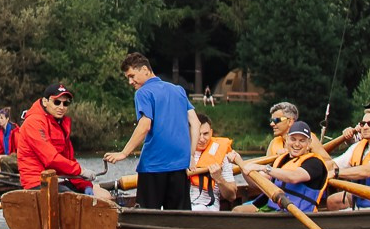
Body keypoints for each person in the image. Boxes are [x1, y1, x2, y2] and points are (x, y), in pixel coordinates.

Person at [102, 52, 199, 210]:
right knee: (179, 219)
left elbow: (145, 125)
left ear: (145, 70)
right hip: (180, 165)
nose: (130, 81)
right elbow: (195, 123)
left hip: (154, 165)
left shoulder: (143, 93)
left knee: (146, 216)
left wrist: (124, 153)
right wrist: (191, 154)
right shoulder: (178, 90)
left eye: (132, 76)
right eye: (128, 77)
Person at [13, 83, 92, 192]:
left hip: (56, 179)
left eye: (66, 103)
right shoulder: (34, 122)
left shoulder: (60, 123)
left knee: (103, 194)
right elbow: (50, 159)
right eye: (57, 102)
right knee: (74, 200)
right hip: (36, 182)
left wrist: (85, 184)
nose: (61, 107)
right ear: (45, 102)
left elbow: (68, 160)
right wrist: (80, 171)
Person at [255, 121, 333, 214]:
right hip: (275, 208)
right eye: (293, 139)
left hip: (298, 214)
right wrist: (245, 168)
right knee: (239, 210)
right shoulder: (282, 159)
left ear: (309, 143)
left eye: (302, 141)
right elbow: (258, 181)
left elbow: (294, 177)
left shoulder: (315, 163)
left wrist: (264, 168)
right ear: (287, 139)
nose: (297, 144)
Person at [189, 117, 234, 210]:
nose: (201, 139)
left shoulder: (222, 158)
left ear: (211, 132)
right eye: (197, 133)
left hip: (207, 207)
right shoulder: (178, 154)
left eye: (205, 134)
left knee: (198, 209)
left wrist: (219, 178)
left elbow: (232, 196)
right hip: (182, 205)